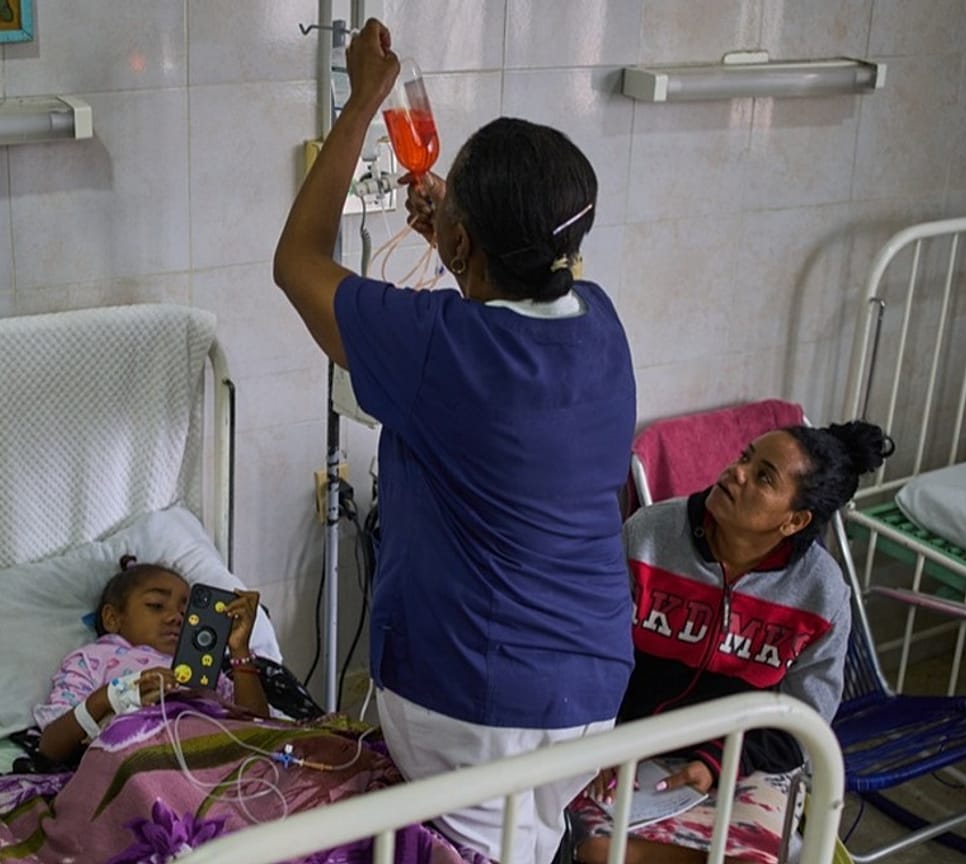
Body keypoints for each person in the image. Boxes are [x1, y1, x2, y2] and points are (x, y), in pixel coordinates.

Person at [272, 18, 637, 863]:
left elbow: (298, 261)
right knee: (527, 840)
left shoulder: (442, 346)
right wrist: (459, 238)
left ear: (465, 243)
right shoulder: (601, 325)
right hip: (589, 683)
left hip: (477, 699)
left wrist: (363, 98)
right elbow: (519, 292)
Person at [573, 421, 894, 864]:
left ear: (794, 520)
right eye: (745, 457)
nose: (736, 472)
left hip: (747, 762)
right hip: (628, 743)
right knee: (598, 853)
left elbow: (804, 720)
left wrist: (717, 762)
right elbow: (589, 654)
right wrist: (603, 740)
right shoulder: (649, 536)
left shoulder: (822, 594)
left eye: (764, 476)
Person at [34, 556, 268, 764]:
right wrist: (116, 694)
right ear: (112, 618)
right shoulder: (92, 659)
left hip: (213, 763)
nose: (176, 617)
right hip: (142, 766)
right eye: (156, 606)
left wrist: (240, 651)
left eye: (186, 613)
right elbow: (51, 746)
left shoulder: (203, 668)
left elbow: (261, 732)